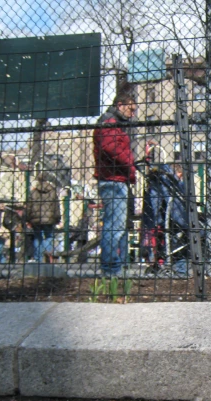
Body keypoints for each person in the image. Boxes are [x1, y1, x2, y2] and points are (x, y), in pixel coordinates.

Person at [92, 89, 137, 277]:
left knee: (117, 225)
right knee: (114, 226)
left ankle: (114, 266)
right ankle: (111, 269)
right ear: (120, 105)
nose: (132, 113)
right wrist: (131, 165)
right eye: (130, 109)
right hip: (113, 180)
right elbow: (112, 148)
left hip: (116, 178)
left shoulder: (112, 123)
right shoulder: (109, 123)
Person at [25, 177, 61, 263]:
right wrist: (58, 218)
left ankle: (38, 259)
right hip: (49, 218)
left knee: (37, 237)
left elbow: (29, 206)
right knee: (49, 236)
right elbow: (56, 206)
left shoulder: (33, 192)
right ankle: (48, 255)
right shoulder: (52, 192)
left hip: (36, 218)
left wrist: (28, 219)